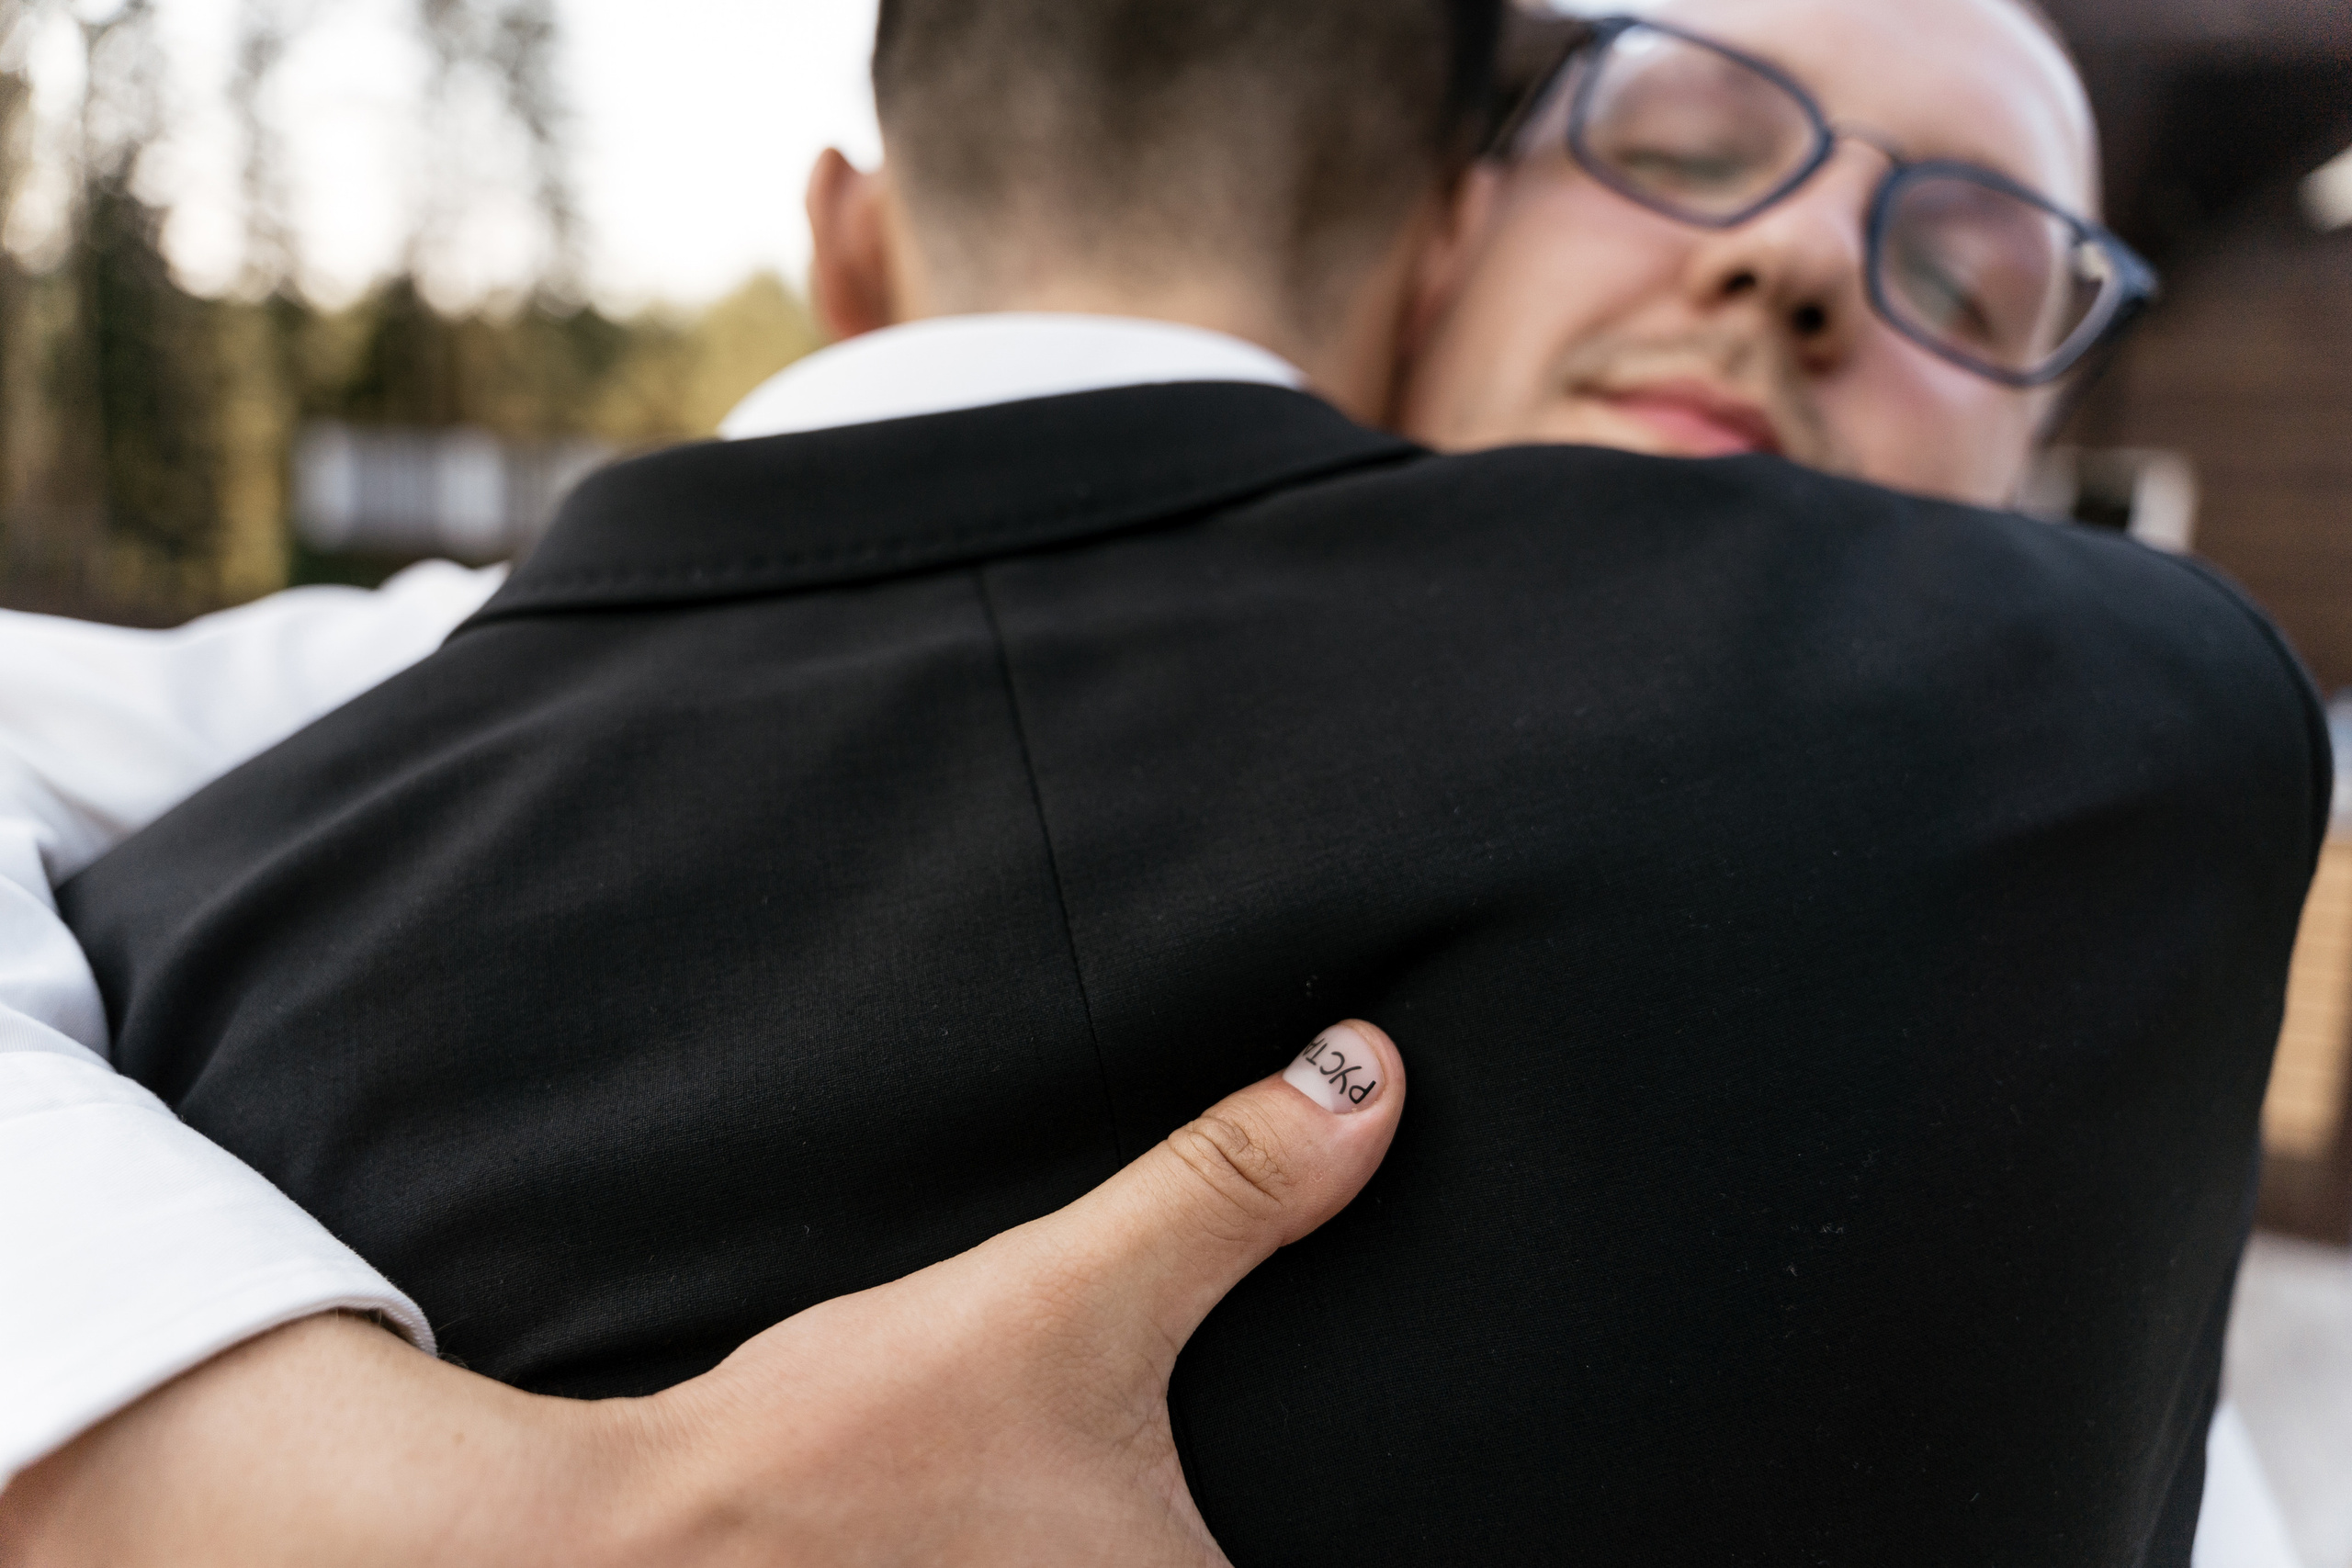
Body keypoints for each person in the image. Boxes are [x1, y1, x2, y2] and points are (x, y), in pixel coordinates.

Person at [0, 0, 2324, 1560]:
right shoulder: (465, 700)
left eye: (1981, 260)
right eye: (1689, 141)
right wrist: (453, 1504)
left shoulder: (2084, 1053)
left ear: (2040, 440)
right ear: (1433, 232)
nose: (1799, 259)